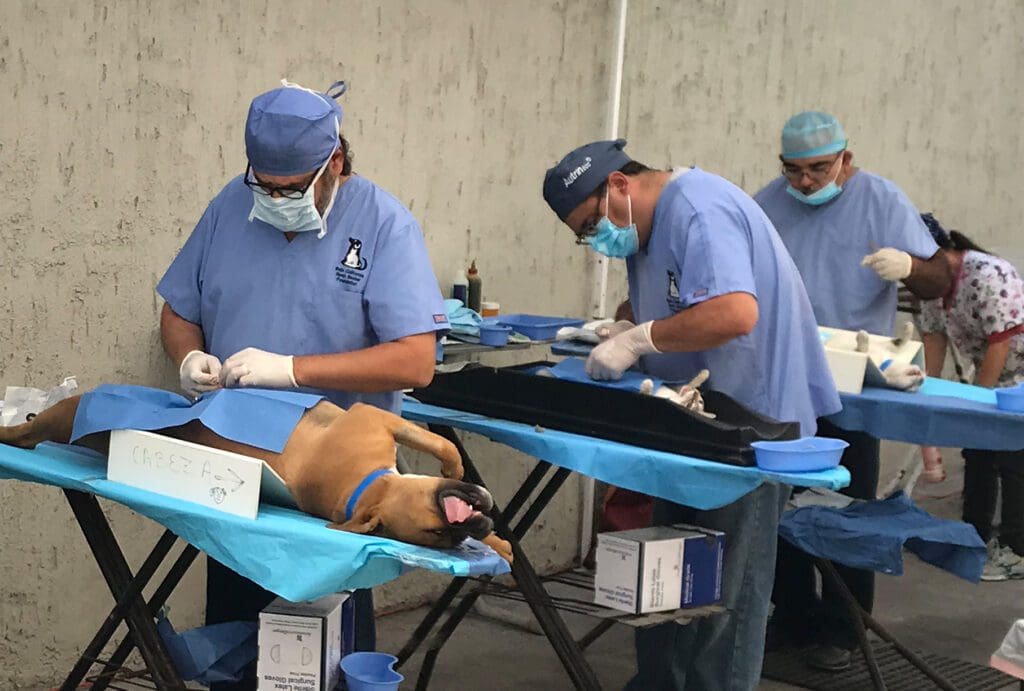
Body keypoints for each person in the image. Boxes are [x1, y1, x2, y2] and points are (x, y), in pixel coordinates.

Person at [156, 80, 449, 690]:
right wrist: (188, 358)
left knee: (323, 652)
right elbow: (179, 308)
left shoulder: (383, 225)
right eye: (261, 184)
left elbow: (416, 360)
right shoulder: (228, 209)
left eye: (289, 189)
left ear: (335, 161)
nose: (272, 200)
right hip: (237, 465)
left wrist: (293, 371)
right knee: (236, 634)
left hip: (336, 482)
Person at [542, 139, 841, 691]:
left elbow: (732, 311)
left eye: (591, 225)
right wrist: (619, 325)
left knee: (727, 589)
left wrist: (640, 340)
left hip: (753, 426)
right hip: (693, 421)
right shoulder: (644, 228)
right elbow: (662, 300)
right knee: (668, 576)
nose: (595, 241)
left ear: (618, 185)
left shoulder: (699, 209)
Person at [753, 111, 952, 672]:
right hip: (784, 376)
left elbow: (939, 278)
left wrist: (910, 263)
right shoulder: (768, 202)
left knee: (847, 506)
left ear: (846, 157)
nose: (806, 182)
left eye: (818, 168)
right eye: (794, 171)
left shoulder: (880, 199)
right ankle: (791, 618)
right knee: (782, 501)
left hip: (856, 381)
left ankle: (844, 627)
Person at [915, 215, 1024, 581]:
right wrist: (927, 394)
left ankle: (1016, 549)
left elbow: (1000, 341)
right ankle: (972, 537)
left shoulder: (989, 273)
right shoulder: (931, 284)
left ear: (943, 253)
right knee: (977, 454)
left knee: (1013, 458)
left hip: (1015, 374)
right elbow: (933, 339)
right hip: (993, 375)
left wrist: (979, 401)